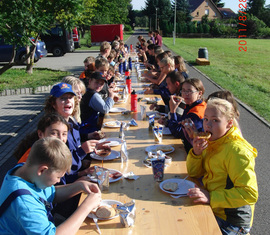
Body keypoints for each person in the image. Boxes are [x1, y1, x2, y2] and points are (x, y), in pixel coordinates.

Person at [0, 137, 101, 235]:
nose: (59, 181)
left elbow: (52, 193)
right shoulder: (24, 202)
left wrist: (79, 186)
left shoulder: (26, 171)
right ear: (42, 170)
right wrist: (86, 206)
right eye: (58, 177)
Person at [186, 98, 258, 235]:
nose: (208, 125)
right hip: (213, 206)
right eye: (206, 119)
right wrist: (196, 153)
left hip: (232, 221)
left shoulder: (237, 151)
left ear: (229, 123)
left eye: (215, 120)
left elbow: (249, 193)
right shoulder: (213, 142)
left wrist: (211, 197)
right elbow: (193, 173)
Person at [167, 78, 207, 153]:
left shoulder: (196, 112)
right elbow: (181, 122)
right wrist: (167, 121)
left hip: (193, 152)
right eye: (183, 90)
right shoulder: (192, 104)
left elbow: (177, 132)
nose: (185, 94)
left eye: (189, 91)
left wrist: (173, 111)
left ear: (199, 93)